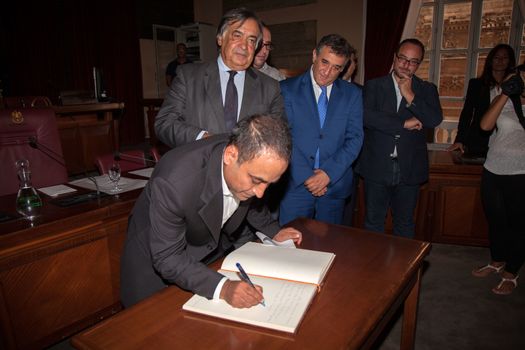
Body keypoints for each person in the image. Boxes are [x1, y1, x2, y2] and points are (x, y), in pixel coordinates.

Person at [120, 114, 303, 307]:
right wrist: (224, 288)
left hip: (204, 254)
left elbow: (252, 202)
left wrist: (274, 231)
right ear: (230, 155)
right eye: (256, 180)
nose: (260, 193)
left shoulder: (247, 163)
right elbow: (167, 258)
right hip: (154, 268)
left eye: (269, 183)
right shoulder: (174, 183)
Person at [155, 8, 284, 148]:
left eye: (251, 40)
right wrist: (202, 137)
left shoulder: (270, 87)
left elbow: (277, 135)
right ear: (220, 38)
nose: (244, 46)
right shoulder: (188, 77)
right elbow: (165, 123)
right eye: (237, 35)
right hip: (199, 165)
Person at [356, 38, 443, 238]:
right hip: (376, 165)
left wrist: (410, 95)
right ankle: (373, 268)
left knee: (404, 224)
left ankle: (402, 268)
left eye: (413, 61)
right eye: (402, 59)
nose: (406, 65)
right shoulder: (374, 86)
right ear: (395, 58)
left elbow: (433, 119)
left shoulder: (426, 89)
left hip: (410, 168)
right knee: (373, 222)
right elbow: (366, 117)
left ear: (419, 64)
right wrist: (404, 123)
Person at [278, 34, 363, 225]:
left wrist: (328, 174)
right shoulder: (286, 89)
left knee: (329, 247)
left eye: (336, 67)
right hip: (295, 185)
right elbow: (284, 136)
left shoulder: (353, 95)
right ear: (314, 55)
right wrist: (308, 177)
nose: (328, 72)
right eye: (325, 62)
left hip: (334, 185)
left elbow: (355, 138)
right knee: (290, 247)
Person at [471, 64, 525, 295]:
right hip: (493, 167)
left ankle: (512, 271)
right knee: (495, 219)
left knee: (519, 224)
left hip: (521, 172)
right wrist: (505, 93)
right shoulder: (502, 96)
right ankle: (497, 261)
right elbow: (485, 125)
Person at [447, 44, 516, 157]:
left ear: (510, 61)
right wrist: (460, 140)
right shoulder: (477, 85)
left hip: (507, 141)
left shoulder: (514, 88)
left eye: (505, 57)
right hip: (479, 140)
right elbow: (467, 113)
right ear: (490, 60)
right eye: (496, 57)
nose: (500, 61)